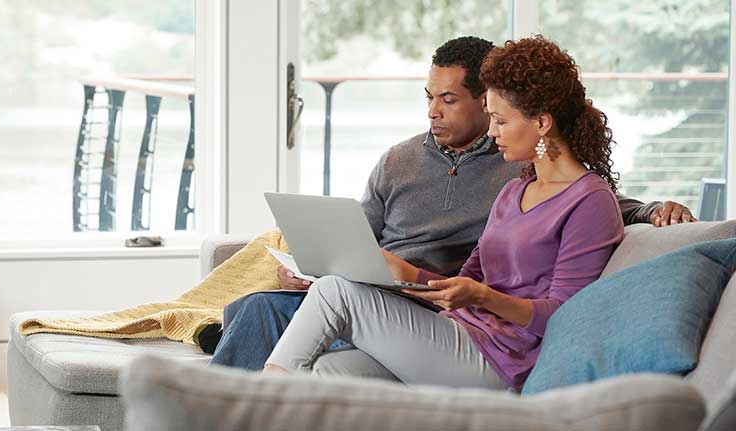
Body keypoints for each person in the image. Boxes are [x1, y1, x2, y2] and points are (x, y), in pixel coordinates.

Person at [209, 36, 696, 377]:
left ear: (539, 122)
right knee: (322, 366)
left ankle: (235, 407)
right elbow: (468, 275)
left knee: (332, 295)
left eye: (499, 119)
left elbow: (562, 311)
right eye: (429, 97)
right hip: (442, 319)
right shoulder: (512, 187)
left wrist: (655, 209)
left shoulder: (579, 197)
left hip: (501, 355)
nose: (492, 130)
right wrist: (407, 274)